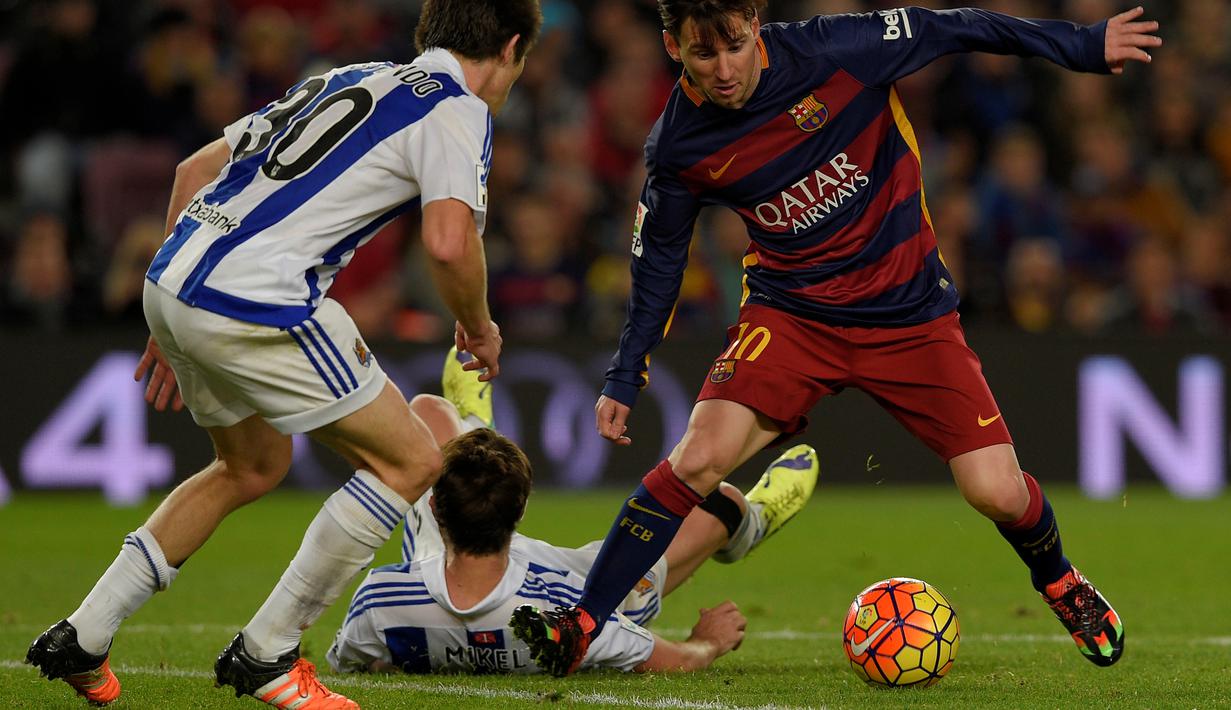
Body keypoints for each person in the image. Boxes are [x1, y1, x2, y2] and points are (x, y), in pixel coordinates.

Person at [512, 1, 1161, 676]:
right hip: (792, 318)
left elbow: (955, 26)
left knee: (995, 492)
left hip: (909, 317)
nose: (725, 69)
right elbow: (658, 262)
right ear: (674, 49)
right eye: (704, 55)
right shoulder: (680, 144)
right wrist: (625, 371)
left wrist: (1078, 46)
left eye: (734, 46)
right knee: (697, 458)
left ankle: (1058, 579)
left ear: (754, 24)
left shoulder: (838, 50)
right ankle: (582, 623)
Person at [24, 2, 541, 707]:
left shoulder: (343, 76)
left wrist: (170, 316)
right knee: (414, 460)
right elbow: (450, 243)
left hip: (175, 277)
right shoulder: (458, 108)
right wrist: (477, 326)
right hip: (258, 297)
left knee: (249, 465)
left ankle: (81, 636)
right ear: (512, 47)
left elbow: (192, 170)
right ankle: (267, 653)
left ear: (430, 33)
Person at [327, 347, 820, 675]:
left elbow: (354, 665)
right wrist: (707, 642)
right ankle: (752, 523)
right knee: (722, 503)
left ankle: (475, 420)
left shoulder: (382, 600)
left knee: (431, 412)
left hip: (444, 564)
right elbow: (672, 660)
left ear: (433, 508)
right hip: (578, 575)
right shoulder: (572, 612)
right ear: (519, 513)